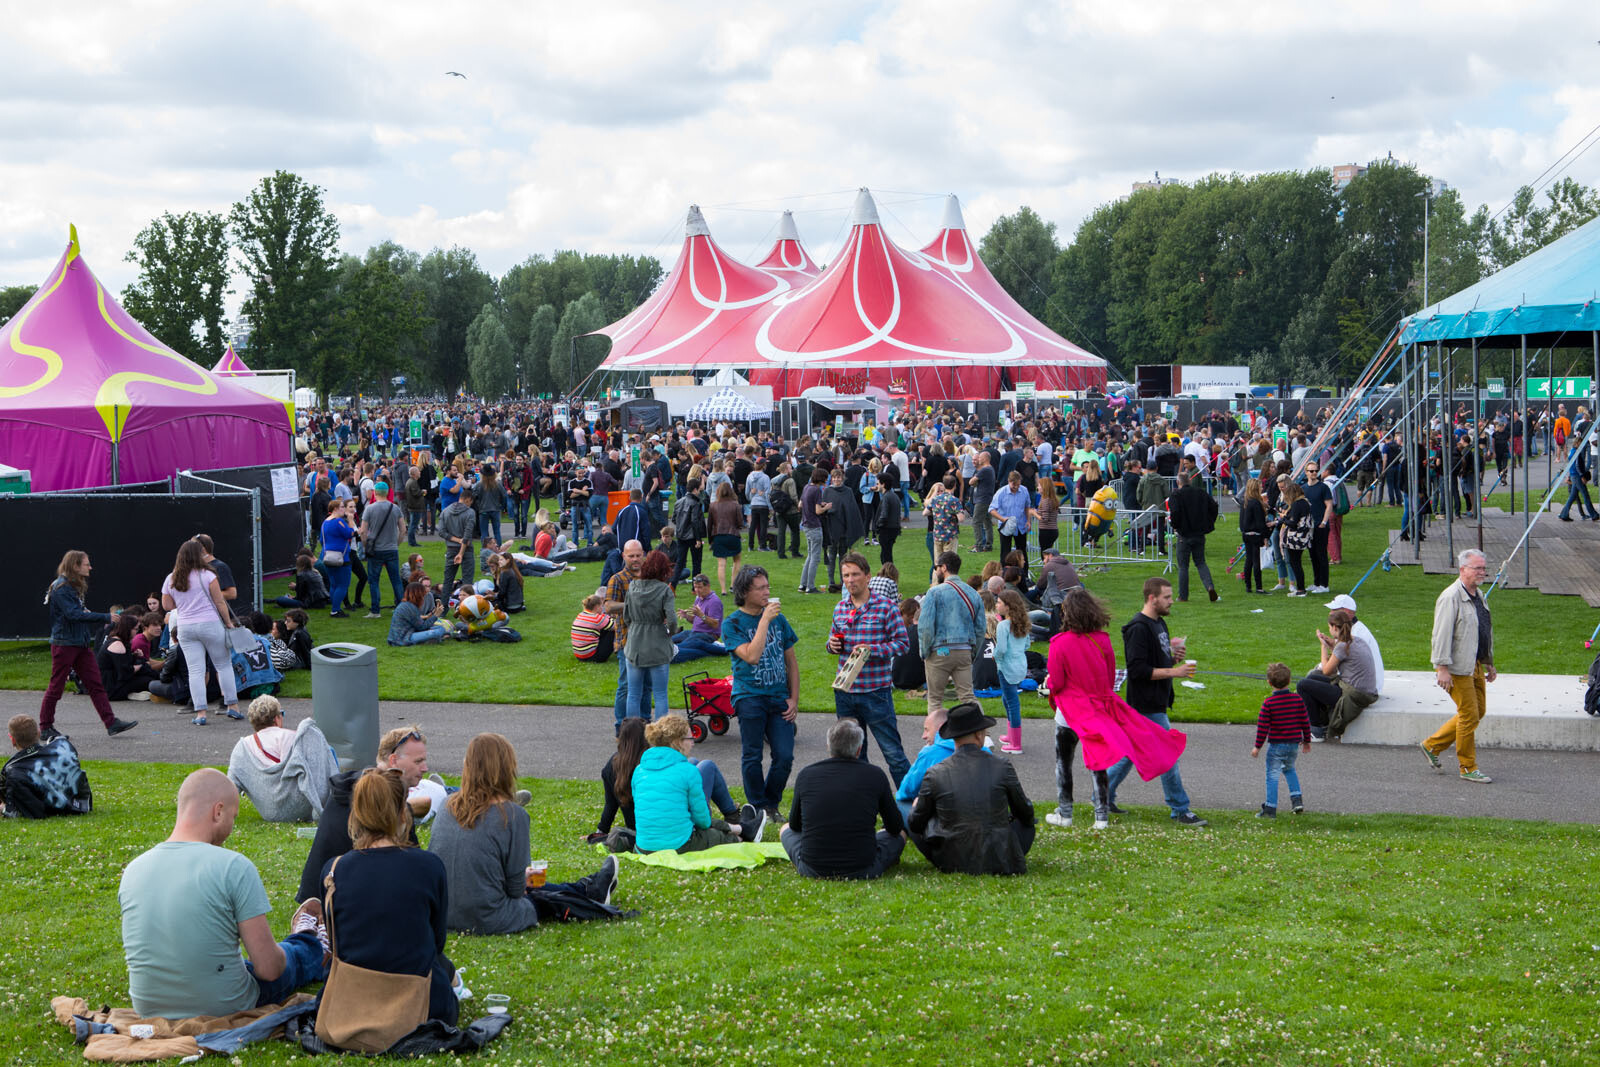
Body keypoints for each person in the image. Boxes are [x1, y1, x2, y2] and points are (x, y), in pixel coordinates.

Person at [119, 768, 329, 1018]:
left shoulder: (133, 870)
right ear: (218, 811)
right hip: (225, 1004)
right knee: (297, 953)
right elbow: (269, 970)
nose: (232, 827)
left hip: (148, 1007)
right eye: (233, 817)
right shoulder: (233, 867)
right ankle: (313, 941)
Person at [428, 733, 621, 934]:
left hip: (442, 915)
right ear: (507, 768)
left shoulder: (445, 805)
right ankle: (589, 891)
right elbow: (516, 890)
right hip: (489, 919)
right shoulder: (512, 815)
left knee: (527, 884)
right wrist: (521, 879)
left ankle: (589, 888)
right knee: (540, 898)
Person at [317, 768, 457, 1031]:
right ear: (403, 812)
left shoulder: (333, 871)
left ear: (355, 814)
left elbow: (337, 944)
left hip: (349, 1003)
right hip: (422, 1006)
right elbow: (436, 943)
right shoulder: (429, 866)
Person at [1042, 586, 1187, 830]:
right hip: (1097, 709)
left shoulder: (1059, 643)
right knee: (1098, 761)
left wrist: (1047, 684)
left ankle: (1065, 813)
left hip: (1069, 712)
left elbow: (1056, 681)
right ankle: (1101, 816)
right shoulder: (1102, 640)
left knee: (1063, 763)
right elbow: (1109, 679)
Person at [1107, 577, 1208, 826]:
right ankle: (1180, 808)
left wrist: (1173, 659)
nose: (1171, 601)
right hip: (1145, 705)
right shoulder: (1138, 628)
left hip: (1157, 701)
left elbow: (1157, 663)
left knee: (1129, 753)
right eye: (1167, 597)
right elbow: (1138, 670)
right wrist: (1176, 672)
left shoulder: (1159, 623)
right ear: (1152, 598)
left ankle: (1101, 795)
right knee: (1167, 754)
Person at [297, 724, 431, 902]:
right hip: (342, 898)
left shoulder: (355, 788)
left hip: (319, 893)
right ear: (393, 761)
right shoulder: (377, 802)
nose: (425, 768)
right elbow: (414, 870)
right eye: (418, 761)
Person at [906, 702, 1034, 874]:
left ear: (953, 737)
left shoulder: (935, 773)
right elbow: (1025, 813)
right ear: (979, 735)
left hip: (949, 860)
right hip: (1001, 857)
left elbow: (915, 824)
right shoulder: (1002, 766)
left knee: (913, 812)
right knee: (1028, 821)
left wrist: (915, 808)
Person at [781, 718, 906, 880]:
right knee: (901, 835)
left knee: (785, 829)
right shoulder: (875, 775)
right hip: (864, 867)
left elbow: (795, 825)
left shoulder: (806, 775)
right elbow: (895, 827)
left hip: (813, 867)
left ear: (828, 746)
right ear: (859, 749)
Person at [722, 565, 799, 822]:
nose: (767, 592)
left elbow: (791, 662)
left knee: (785, 755)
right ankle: (757, 806)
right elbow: (752, 656)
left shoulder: (780, 619)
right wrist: (764, 619)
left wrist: (794, 698)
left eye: (768, 586)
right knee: (752, 755)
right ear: (745, 592)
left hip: (779, 697)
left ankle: (771, 802)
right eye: (761, 588)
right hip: (749, 696)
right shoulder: (732, 623)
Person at [829, 552, 912, 786]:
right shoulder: (840, 608)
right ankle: (862, 804)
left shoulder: (885, 607)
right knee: (852, 757)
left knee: (893, 754)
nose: (850, 580)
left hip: (875, 691)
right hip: (845, 692)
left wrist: (872, 651)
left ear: (867, 577)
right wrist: (831, 645)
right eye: (846, 575)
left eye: (855, 574)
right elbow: (831, 639)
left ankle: (911, 807)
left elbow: (903, 643)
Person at [38, 551, 138, 741]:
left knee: (95, 683)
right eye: (86, 564)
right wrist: (105, 617)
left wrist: (87, 612)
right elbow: (73, 615)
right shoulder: (62, 588)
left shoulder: (70, 587)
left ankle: (111, 723)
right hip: (65, 645)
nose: (90, 567)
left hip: (79, 644)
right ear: (75, 566)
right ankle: (45, 727)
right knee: (56, 687)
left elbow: (75, 612)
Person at [632, 716, 765, 852]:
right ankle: (743, 832)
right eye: (690, 738)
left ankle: (742, 827)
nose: (693, 742)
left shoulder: (639, 770)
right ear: (677, 742)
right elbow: (703, 821)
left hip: (643, 846)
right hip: (678, 845)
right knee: (716, 836)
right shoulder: (688, 771)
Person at [1422, 549, 1497, 784]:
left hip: (1473, 663)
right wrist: (1441, 668)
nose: (1482, 573)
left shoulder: (1479, 595)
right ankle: (1468, 766)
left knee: (1478, 712)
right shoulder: (1450, 597)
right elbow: (1441, 635)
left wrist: (1489, 663)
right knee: (1468, 715)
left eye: (1484, 568)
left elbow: (1482, 631)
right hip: (1456, 667)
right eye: (1478, 568)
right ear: (1463, 569)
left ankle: (1432, 745)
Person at [161, 539, 242, 727]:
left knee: (195, 670)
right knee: (223, 665)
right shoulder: (208, 575)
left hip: (186, 627)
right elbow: (220, 602)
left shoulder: (171, 578)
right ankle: (233, 706)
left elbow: (167, 605)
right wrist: (228, 622)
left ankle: (200, 712)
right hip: (210, 623)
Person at [918, 551, 983, 729]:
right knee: (968, 697)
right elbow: (980, 628)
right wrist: (972, 653)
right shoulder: (974, 594)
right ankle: (982, 736)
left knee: (935, 698)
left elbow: (925, 626)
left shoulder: (934, 593)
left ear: (944, 568)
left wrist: (924, 651)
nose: (936, 570)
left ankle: (937, 738)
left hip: (939, 651)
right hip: (964, 650)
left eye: (937, 567)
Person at [1296, 608, 1380, 742]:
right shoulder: (1357, 640)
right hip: (1365, 691)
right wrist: (1331, 643)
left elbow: (1327, 671)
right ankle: (1321, 723)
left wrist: (1323, 647)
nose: (1329, 629)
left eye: (1329, 627)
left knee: (1302, 685)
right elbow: (1341, 655)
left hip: (1354, 695)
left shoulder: (1342, 646)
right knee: (1312, 678)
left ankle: (1316, 731)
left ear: (1335, 627)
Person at [623, 549, 677, 723]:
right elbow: (672, 621)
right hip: (658, 645)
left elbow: (626, 616)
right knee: (660, 694)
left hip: (635, 645)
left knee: (633, 693)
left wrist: (636, 627)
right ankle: (661, 736)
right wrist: (669, 633)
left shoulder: (632, 587)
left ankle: (632, 735)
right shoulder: (664, 590)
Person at [2, 714, 92, 818]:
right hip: (81, 804)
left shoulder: (14, 772)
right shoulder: (64, 747)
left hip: (52, 808)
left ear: (13, 740)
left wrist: (4, 809)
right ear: (39, 733)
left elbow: (30, 811)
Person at [1252, 663, 1311, 817]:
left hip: (1276, 746)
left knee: (1272, 775)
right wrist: (1307, 740)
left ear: (1269, 683)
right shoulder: (1297, 699)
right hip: (1293, 745)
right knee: (1290, 769)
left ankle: (1270, 808)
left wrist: (1257, 747)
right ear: (1290, 680)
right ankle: (1297, 800)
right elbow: (1305, 720)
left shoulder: (1269, 704)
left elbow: (1263, 728)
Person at [602, 540, 645, 730]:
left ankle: (645, 725)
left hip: (649, 642)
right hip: (626, 640)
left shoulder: (650, 577)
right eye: (631, 556)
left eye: (638, 555)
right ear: (624, 556)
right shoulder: (617, 579)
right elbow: (609, 606)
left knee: (647, 687)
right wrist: (632, 605)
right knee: (626, 686)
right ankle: (622, 727)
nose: (635, 559)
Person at [1168, 471, 1220, 602]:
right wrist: (1209, 522)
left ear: (1178, 482)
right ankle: (1210, 587)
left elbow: (1174, 513)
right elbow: (1214, 506)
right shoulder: (1200, 492)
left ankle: (1183, 596)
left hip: (1183, 534)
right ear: (1189, 481)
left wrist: (1174, 525)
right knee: (1201, 562)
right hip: (1199, 533)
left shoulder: (1176, 495)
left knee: (1183, 566)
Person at [992, 589, 1031, 755]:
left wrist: (995, 657)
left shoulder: (1003, 626)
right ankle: (1011, 734)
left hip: (1006, 668)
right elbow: (1027, 644)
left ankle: (1016, 743)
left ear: (1008, 607)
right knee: (1007, 698)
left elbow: (1000, 648)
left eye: (999, 603)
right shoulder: (1021, 624)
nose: (996, 605)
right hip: (1020, 665)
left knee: (1012, 702)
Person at [360, 481, 404, 619]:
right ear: (387, 493)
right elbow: (403, 530)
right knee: (396, 580)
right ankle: (402, 609)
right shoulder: (395, 508)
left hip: (376, 550)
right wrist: (396, 543)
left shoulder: (370, 509)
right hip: (392, 549)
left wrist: (366, 545)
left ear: (375, 492)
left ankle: (375, 610)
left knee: (374, 581)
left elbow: (363, 531)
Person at [597, 718, 646, 836]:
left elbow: (611, 804)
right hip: (658, 826)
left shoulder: (612, 766)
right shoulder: (650, 762)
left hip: (635, 829)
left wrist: (601, 831)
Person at [671, 574, 726, 663]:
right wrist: (687, 616)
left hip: (708, 635)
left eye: (699, 587)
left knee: (683, 646)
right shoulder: (699, 598)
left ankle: (714, 648)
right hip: (694, 632)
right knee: (672, 640)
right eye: (695, 587)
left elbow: (715, 624)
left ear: (708, 586)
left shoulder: (714, 601)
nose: (697, 590)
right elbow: (695, 621)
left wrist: (701, 615)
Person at [1301, 458, 1336, 593]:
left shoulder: (1323, 487)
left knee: (1321, 554)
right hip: (1309, 526)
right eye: (1311, 471)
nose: (1314, 473)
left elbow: (1329, 505)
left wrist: (1324, 522)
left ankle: (1324, 584)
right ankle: (1316, 582)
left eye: (1316, 471)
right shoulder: (1303, 489)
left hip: (1320, 526)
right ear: (1306, 473)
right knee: (1313, 554)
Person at [320, 499, 358, 618]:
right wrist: (351, 521)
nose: (344, 509)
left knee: (334, 584)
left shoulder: (325, 522)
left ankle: (335, 607)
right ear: (335, 509)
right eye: (342, 507)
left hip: (327, 555)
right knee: (343, 584)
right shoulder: (339, 522)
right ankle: (335, 610)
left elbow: (321, 540)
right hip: (341, 556)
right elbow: (349, 533)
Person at [439, 486, 478, 602]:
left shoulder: (445, 511)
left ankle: (442, 609)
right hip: (466, 550)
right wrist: (461, 551)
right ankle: (467, 608)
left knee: (447, 581)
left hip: (451, 549)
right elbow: (467, 535)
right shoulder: (470, 512)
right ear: (468, 500)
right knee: (467, 582)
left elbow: (441, 532)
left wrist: (455, 540)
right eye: (471, 502)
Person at [988, 469, 1035, 564]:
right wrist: (1002, 519)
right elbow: (991, 509)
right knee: (1005, 553)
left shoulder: (1024, 490)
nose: (1016, 487)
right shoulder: (1001, 492)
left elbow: (1027, 507)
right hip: (1006, 527)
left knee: (1022, 552)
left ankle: (1023, 575)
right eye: (1014, 485)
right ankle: (1005, 574)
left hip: (1021, 525)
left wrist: (1028, 521)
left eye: (1018, 485)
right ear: (1009, 481)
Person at [388, 582, 448, 646]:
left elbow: (419, 623)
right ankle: (433, 639)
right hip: (403, 638)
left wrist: (433, 613)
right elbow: (422, 627)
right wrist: (436, 615)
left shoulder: (407, 604)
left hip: (402, 635)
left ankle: (433, 639)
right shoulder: (410, 607)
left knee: (439, 628)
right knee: (439, 631)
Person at [798, 468, 827, 594]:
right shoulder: (817, 490)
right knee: (815, 557)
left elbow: (800, 505)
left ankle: (802, 584)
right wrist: (826, 507)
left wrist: (819, 504)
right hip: (814, 525)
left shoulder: (806, 487)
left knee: (809, 556)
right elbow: (818, 511)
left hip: (805, 524)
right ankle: (810, 586)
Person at [1238, 477, 1269, 594]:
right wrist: (1265, 535)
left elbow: (1242, 521)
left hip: (1246, 534)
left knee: (1249, 560)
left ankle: (1248, 586)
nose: (1262, 488)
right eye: (1260, 486)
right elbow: (1260, 523)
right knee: (1256, 561)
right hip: (1255, 534)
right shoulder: (1256, 503)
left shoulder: (1245, 502)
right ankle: (1259, 587)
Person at [571, 593, 617, 662]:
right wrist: (610, 616)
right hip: (593, 656)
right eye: (601, 606)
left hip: (579, 656)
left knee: (605, 627)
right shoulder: (597, 618)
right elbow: (616, 626)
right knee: (613, 631)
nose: (602, 608)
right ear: (597, 607)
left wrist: (605, 616)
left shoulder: (581, 615)